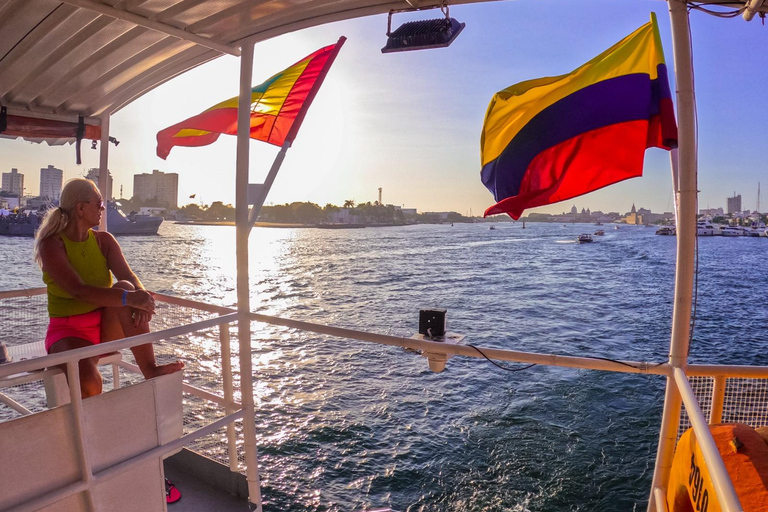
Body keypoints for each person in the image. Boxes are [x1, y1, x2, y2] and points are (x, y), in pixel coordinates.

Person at [33, 178, 183, 398]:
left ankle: (150, 369)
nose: (103, 207)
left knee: (126, 286)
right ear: (81, 208)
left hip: (105, 328)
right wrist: (129, 299)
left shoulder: (105, 241)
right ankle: (88, 427)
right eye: (99, 203)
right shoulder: (52, 244)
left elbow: (129, 276)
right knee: (90, 383)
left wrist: (141, 298)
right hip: (68, 332)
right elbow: (78, 290)